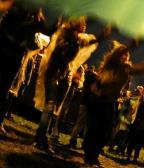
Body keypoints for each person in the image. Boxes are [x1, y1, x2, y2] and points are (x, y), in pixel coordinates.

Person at [83, 42, 144, 166]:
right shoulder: (111, 63)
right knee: (94, 128)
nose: (125, 57)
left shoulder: (126, 68)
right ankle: (89, 155)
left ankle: (94, 155)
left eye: (127, 55)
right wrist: (133, 43)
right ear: (118, 55)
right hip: (98, 99)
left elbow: (141, 67)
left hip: (110, 102)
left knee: (105, 131)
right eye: (123, 54)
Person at [34, 17, 98, 152]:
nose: (85, 25)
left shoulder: (79, 39)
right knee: (50, 106)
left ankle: (42, 137)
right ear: (76, 24)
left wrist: (105, 33)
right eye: (83, 23)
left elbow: (93, 41)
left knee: (54, 109)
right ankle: (40, 138)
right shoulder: (65, 36)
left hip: (64, 76)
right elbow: (58, 54)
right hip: (53, 73)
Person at [0, 1, 47, 134]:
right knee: (5, 89)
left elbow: (38, 40)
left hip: (16, 58)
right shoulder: (16, 12)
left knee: (5, 90)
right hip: (5, 52)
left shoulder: (35, 19)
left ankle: (1, 120)